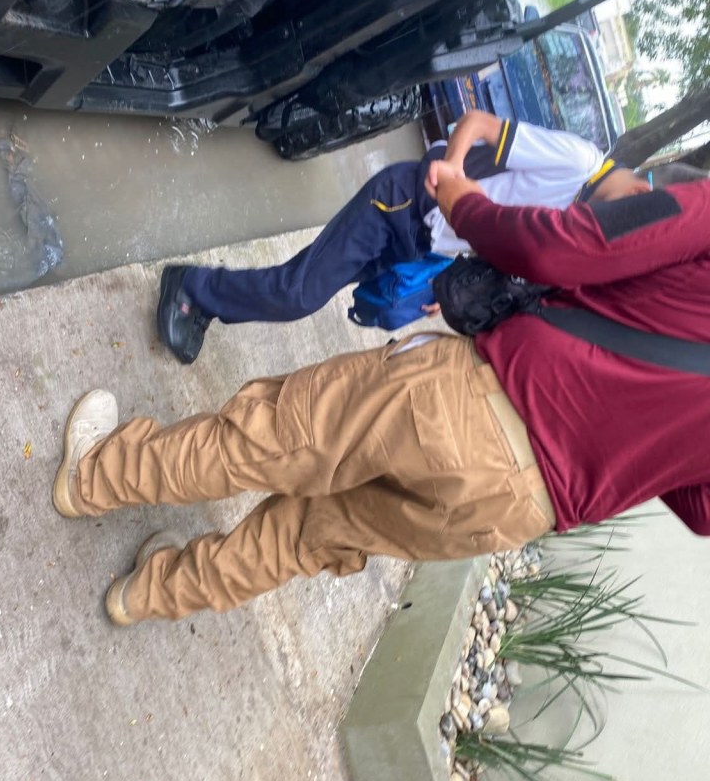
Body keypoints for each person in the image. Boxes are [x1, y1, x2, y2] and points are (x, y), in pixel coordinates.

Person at [53, 160, 710, 626]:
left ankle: (94, 478)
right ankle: (145, 595)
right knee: (308, 538)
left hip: (475, 403)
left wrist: (463, 202)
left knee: (275, 438)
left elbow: (561, 249)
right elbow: (700, 510)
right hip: (518, 510)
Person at [156, 110, 610, 363]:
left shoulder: (583, 227)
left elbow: (500, 229)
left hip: (423, 245)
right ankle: (191, 288)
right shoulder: (579, 163)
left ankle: (209, 303)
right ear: (639, 192)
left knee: (308, 278)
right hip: (403, 203)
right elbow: (476, 123)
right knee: (300, 294)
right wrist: (452, 167)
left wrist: (448, 280)